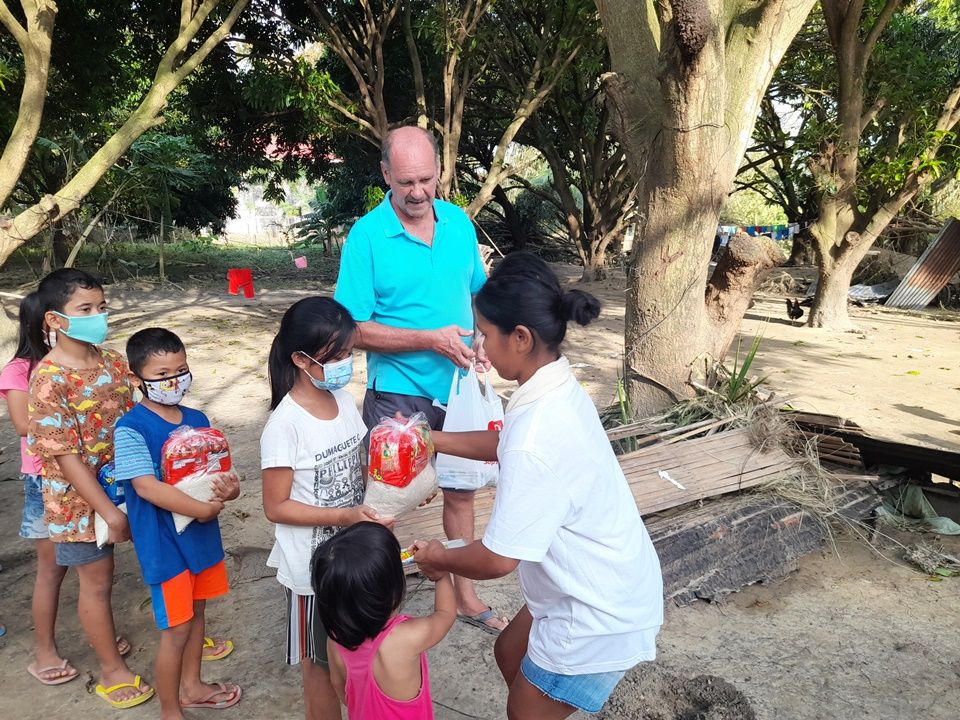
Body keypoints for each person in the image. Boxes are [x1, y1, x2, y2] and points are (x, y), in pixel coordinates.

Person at [414, 253, 664, 719]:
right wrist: (431, 440)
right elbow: (506, 440)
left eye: (485, 334)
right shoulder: (553, 387)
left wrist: (437, 557)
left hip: (595, 610)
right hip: (602, 577)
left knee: (523, 712)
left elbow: (496, 558)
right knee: (509, 651)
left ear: (521, 338)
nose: (480, 345)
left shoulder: (537, 433)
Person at [334, 125, 506, 635]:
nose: (417, 192)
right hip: (397, 394)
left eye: (426, 179)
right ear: (386, 174)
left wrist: (483, 339)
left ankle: (466, 596)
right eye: (405, 181)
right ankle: (374, 605)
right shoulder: (366, 236)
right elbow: (352, 328)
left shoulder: (458, 223)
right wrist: (429, 339)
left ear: (439, 174)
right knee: (386, 502)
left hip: (458, 391)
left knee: (459, 492)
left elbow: (480, 295)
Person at [260, 297, 393, 720]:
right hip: (312, 572)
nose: (344, 365)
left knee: (353, 656)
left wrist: (397, 483)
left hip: (352, 560)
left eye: (348, 354)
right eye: (334, 357)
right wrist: (343, 517)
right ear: (300, 359)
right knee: (320, 668)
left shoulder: (343, 400)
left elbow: (359, 462)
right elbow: (275, 506)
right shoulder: (284, 426)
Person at [27, 269, 153, 709]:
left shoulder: (115, 362)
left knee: (158, 557)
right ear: (54, 320)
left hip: (129, 487)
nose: (98, 316)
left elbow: (139, 421)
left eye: (101, 307)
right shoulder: (47, 379)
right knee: (96, 583)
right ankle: (111, 670)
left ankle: (184, 631)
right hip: (77, 504)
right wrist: (110, 512)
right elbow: (66, 458)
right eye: (86, 309)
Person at [113, 328, 242, 719]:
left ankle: (192, 686)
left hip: (200, 540)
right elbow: (146, 487)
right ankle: (171, 709)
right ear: (136, 379)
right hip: (164, 546)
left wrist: (229, 490)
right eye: (163, 373)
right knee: (176, 629)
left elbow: (217, 473)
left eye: (181, 370)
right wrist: (201, 509)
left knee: (198, 614)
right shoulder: (131, 428)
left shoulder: (197, 419)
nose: (174, 381)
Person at [313, 522, 455, 720]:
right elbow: (445, 614)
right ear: (394, 586)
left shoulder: (335, 640)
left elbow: (340, 687)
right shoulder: (405, 637)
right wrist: (441, 574)